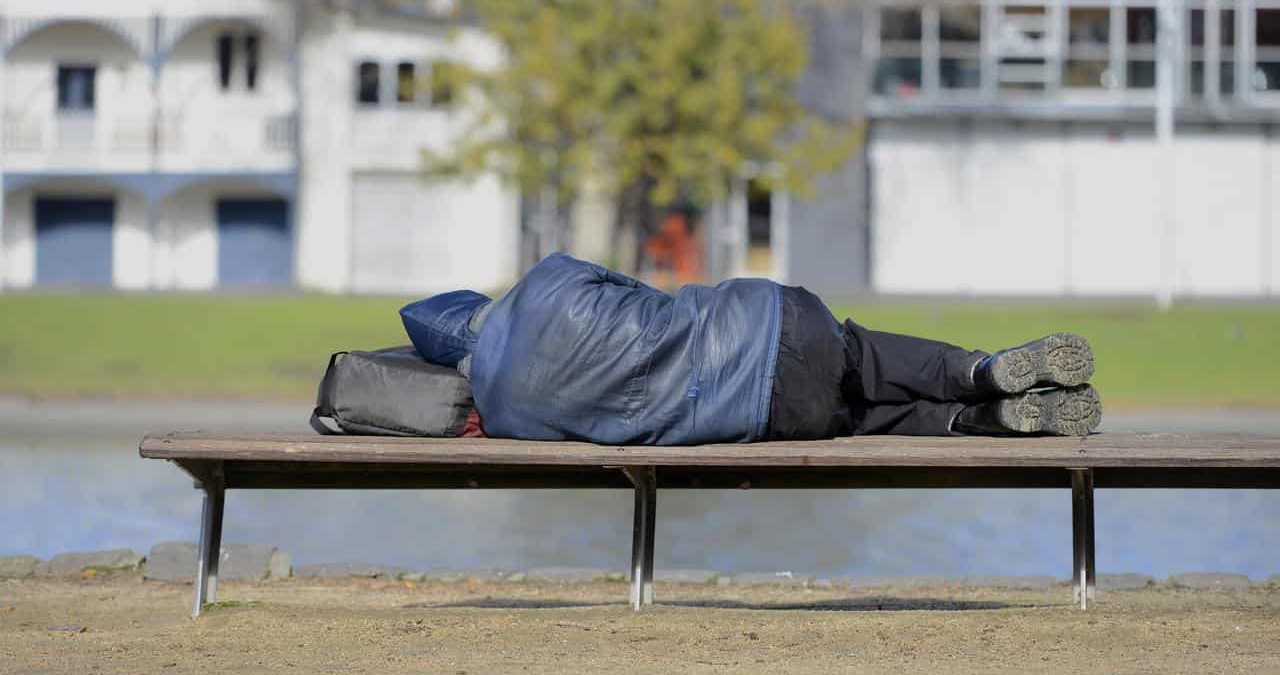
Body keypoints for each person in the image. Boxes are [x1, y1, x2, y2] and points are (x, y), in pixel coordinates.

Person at [400, 252, 1101, 445]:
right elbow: (636, 293)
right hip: (772, 322)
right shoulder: (549, 279)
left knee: (850, 419)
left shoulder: (508, 412)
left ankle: (974, 423)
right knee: (860, 355)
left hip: (764, 415)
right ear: (477, 308)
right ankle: (979, 372)